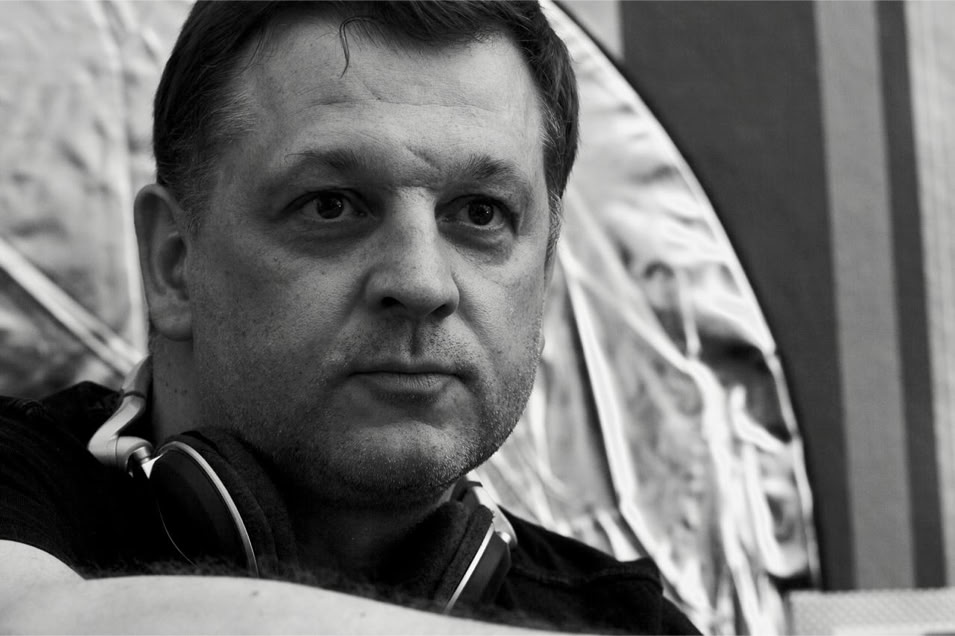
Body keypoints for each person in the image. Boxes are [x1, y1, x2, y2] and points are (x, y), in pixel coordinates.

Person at [0, 1, 698, 633]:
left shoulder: (629, 621)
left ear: (543, 271)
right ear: (173, 263)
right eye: (330, 205)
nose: (421, 283)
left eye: (481, 213)